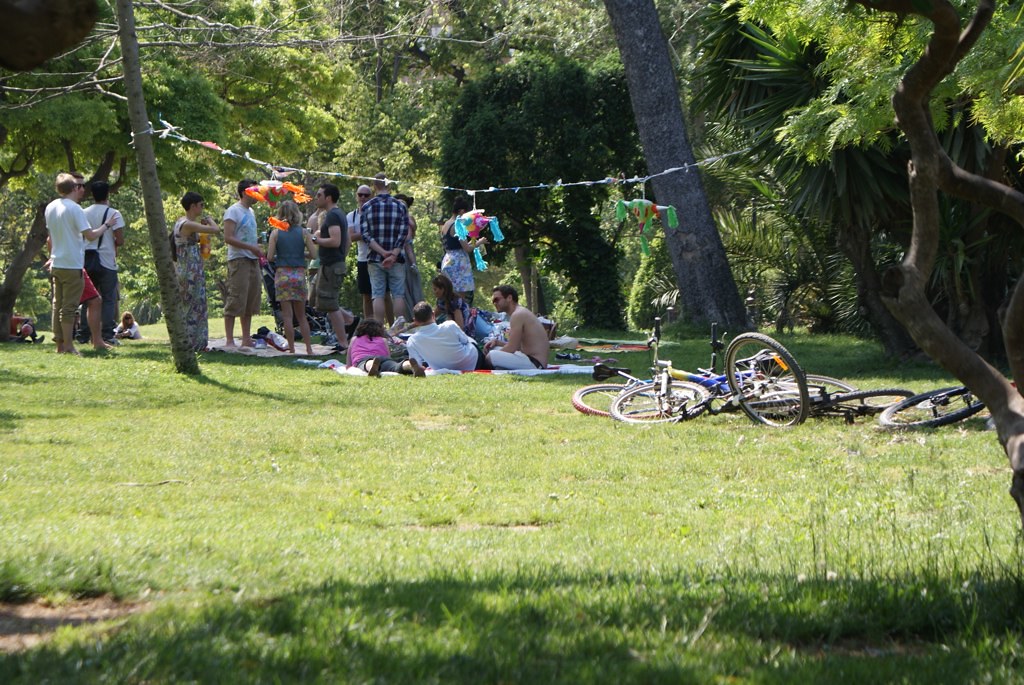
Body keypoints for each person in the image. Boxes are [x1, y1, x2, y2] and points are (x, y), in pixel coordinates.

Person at [44, 172, 113, 355]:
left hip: (57, 263)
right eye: (79, 186)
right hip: (72, 264)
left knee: (57, 305)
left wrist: (51, 256)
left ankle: (60, 345)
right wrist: (106, 226)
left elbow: (51, 237)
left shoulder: (51, 207)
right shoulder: (74, 209)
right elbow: (90, 235)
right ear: (74, 188)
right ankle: (68, 347)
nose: (81, 189)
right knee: (69, 308)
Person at [173, 191, 222, 351]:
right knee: (192, 307)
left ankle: (198, 343)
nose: (203, 208)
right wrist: (209, 221)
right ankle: (193, 344)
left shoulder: (185, 223)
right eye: (201, 205)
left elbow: (204, 247)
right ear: (193, 206)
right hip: (189, 270)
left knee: (197, 306)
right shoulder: (187, 224)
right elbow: (216, 229)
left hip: (192, 269)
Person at [267, 200, 316, 355]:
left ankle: (292, 349)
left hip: (282, 275)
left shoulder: (275, 233)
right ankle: (309, 349)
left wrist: (281, 256)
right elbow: (314, 254)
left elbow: (269, 257)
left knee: (287, 316)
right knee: (301, 316)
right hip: (299, 275)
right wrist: (301, 254)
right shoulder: (303, 232)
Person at [311, 182, 356, 352]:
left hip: (332, 266)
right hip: (331, 264)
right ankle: (351, 320)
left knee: (330, 305)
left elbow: (335, 240)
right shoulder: (336, 214)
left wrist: (316, 240)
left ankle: (343, 343)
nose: (317, 198)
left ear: (328, 198)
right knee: (321, 302)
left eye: (319, 195)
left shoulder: (332, 215)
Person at [360, 172, 409, 326]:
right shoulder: (400, 205)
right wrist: (393, 254)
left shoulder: (367, 206)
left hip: (375, 258)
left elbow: (365, 234)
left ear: (374, 186)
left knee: (378, 295)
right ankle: (399, 331)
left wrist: (381, 252)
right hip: (397, 259)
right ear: (389, 185)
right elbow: (404, 232)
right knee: (398, 295)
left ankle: (379, 330)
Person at [80, 180, 125, 345]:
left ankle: (83, 334)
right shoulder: (114, 214)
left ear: (92, 194)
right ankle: (107, 334)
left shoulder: (83, 212)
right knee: (108, 298)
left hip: (87, 260)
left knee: (88, 298)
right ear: (108, 194)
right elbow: (120, 240)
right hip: (107, 260)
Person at [222, 178, 264, 348]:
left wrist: (257, 248)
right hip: (239, 259)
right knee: (236, 298)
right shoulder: (233, 211)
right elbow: (228, 237)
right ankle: (230, 340)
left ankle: (246, 338)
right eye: (256, 191)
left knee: (250, 299)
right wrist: (250, 247)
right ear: (246, 192)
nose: (259, 194)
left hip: (253, 259)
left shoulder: (251, 212)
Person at [406, 301, 489, 372]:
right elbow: (465, 341)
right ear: (433, 315)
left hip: (442, 367)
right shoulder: (450, 325)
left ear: (415, 321)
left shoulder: (412, 340)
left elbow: (417, 362)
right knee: (470, 340)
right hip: (473, 361)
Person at [347, 184, 388, 321]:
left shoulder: (376, 212)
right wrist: (367, 233)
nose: (363, 198)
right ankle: (369, 324)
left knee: (385, 294)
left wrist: (365, 234)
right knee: (366, 295)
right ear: (356, 196)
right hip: (363, 259)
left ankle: (391, 325)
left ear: (372, 196)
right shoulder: (351, 216)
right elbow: (351, 237)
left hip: (379, 257)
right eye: (360, 195)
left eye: (366, 195)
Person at [485, 285, 549, 370]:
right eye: (493, 301)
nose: (494, 303)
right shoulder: (519, 312)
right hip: (529, 358)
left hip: (535, 363)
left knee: (491, 356)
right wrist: (497, 342)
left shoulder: (518, 315)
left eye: (497, 299)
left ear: (509, 298)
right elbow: (518, 347)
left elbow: (512, 348)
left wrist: (487, 357)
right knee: (493, 349)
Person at [440, 195, 485, 305]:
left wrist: (475, 237)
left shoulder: (446, 224)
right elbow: (467, 248)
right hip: (458, 262)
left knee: (449, 296)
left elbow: (458, 245)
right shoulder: (457, 225)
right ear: (461, 211)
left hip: (448, 259)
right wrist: (480, 242)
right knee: (459, 299)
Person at [345, 318, 419, 376]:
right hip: (383, 359)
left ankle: (372, 366)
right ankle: (408, 365)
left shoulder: (354, 339)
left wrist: (348, 367)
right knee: (394, 366)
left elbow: (349, 361)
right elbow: (388, 356)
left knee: (366, 364)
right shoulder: (383, 340)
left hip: (363, 359)